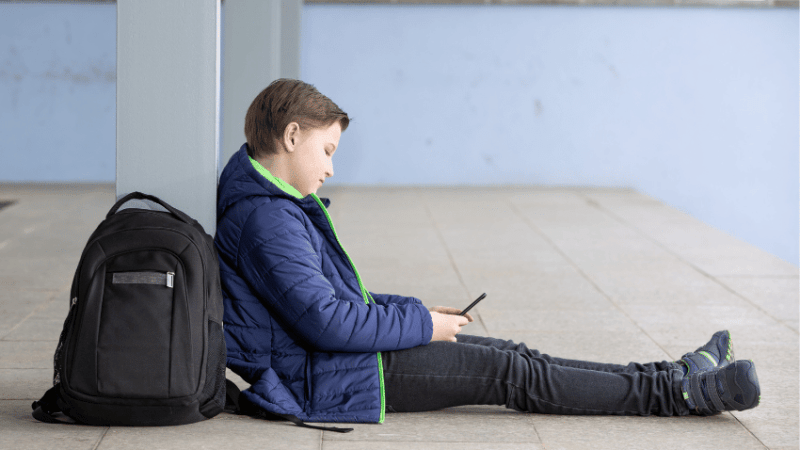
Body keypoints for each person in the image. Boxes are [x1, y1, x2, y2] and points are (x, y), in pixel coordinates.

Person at [214, 78, 761, 424]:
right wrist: (423, 326)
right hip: (339, 375)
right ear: (290, 136)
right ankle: (682, 393)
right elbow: (328, 324)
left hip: (342, 360)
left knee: (519, 358)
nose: (331, 167)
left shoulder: (273, 208)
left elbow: (331, 302)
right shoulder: (267, 218)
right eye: (326, 149)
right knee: (515, 372)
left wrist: (417, 313)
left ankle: (670, 377)